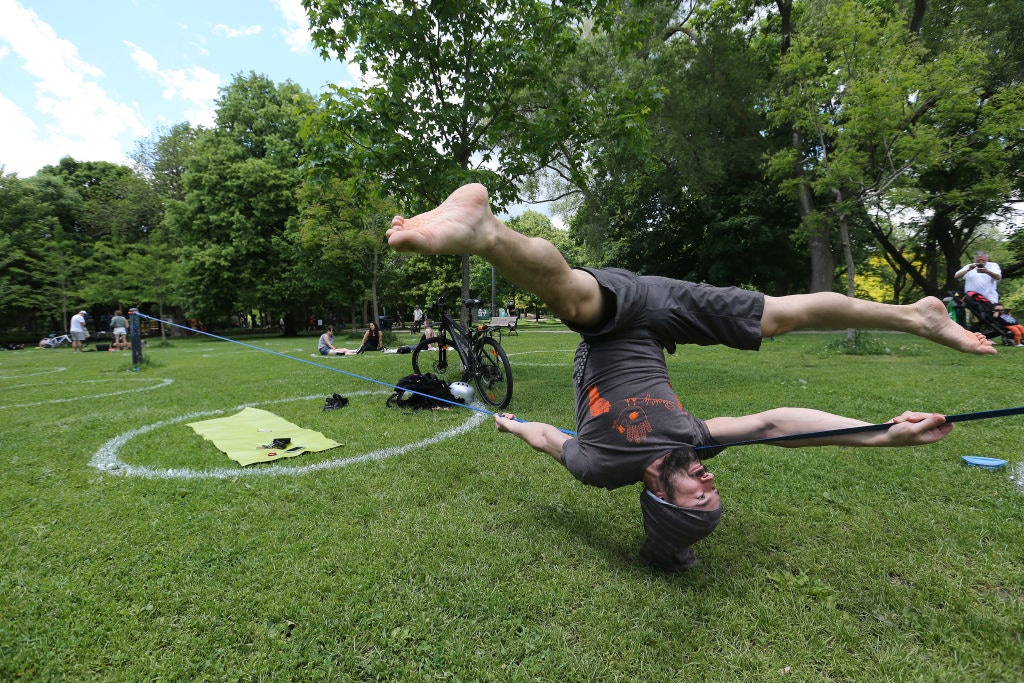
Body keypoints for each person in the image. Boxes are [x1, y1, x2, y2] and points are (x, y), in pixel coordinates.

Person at [387, 183, 996, 571]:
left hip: (614, 316)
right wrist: (883, 434)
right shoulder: (691, 440)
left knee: (574, 304)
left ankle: (486, 234)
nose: (707, 477)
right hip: (668, 312)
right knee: (779, 316)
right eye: (711, 488)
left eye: (698, 493)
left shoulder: (601, 467)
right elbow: (775, 424)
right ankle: (915, 315)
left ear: (660, 494)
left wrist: (511, 424)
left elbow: (549, 439)